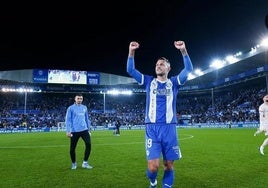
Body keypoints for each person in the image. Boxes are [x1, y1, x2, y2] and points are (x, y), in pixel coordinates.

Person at [127, 40, 193, 188]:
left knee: (169, 165)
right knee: (153, 167)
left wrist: (183, 50)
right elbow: (131, 70)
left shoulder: (174, 82)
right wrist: (131, 51)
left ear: (168, 68)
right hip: (152, 129)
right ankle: (152, 180)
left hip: (170, 129)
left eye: (162, 64)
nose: (158, 66)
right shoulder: (149, 82)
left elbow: (188, 69)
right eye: (157, 64)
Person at [65, 93, 93, 169]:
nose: (79, 100)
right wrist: (68, 131)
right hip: (74, 131)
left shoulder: (84, 107)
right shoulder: (70, 108)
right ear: (75, 99)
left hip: (84, 130)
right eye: (78, 98)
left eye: (81, 98)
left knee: (89, 144)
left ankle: (85, 162)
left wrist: (89, 129)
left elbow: (87, 119)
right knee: (72, 148)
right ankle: (74, 163)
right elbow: (68, 120)